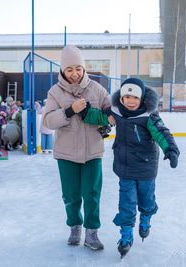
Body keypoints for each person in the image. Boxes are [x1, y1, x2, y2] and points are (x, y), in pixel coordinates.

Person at [80, 77, 180, 258]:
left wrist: (170, 149)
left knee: (146, 200)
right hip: (125, 168)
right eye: (127, 97)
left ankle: (146, 219)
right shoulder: (117, 112)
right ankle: (126, 236)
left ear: (141, 99)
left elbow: (161, 131)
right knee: (126, 203)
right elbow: (101, 117)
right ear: (122, 98)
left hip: (146, 168)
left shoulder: (149, 115)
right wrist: (86, 113)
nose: (131, 101)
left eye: (135, 98)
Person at [40, 45, 111, 250]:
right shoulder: (55, 92)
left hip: (92, 152)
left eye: (78, 68)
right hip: (66, 153)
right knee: (70, 195)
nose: (74, 73)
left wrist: (104, 122)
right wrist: (70, 110)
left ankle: (92, 233)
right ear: (62, 70)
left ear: (83, 68)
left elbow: (110, 113)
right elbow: (48, 121)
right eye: (69, 69)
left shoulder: (97, 89)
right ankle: (74, 226)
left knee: (92, 194)